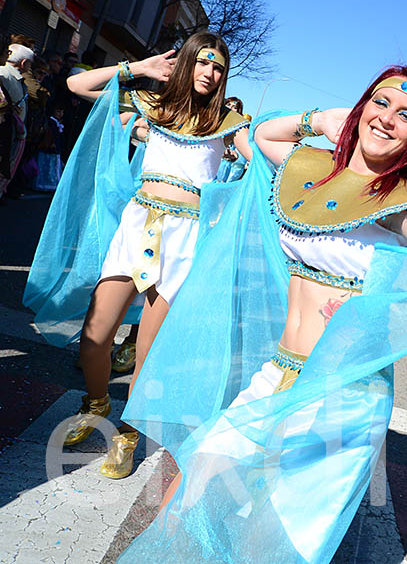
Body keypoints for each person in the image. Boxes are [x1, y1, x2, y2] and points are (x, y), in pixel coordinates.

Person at [116, 65, 407, 562]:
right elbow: (261, 134)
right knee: (198, 481)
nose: (388, 119)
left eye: (406, 115)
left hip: (339, 394)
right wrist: (323, 119)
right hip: (279, 372)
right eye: (380, 103)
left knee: (271, 540)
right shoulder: (309, 170)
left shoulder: (400, 202)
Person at [24, 32, 251, 480]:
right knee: (94, 335)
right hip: (138, 226)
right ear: (186, 63)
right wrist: (140, 67)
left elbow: (262, 160)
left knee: (147, 353)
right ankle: (96, 403)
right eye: (203, 62)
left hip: (185, 241)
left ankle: (127, 432)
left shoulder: (228, 122)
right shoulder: (154, 105)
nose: (210, 73)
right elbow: (79, 86)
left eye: (219, 67)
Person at [0, 43, 33, 199]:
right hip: (5, 132)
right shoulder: (5, 74)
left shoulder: (15, 77)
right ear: (24, 63)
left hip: (10, 133)